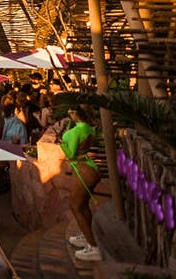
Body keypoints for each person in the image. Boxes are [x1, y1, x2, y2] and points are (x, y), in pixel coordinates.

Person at [60, 106, 102, 262]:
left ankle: (94, 247)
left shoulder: (74, 132)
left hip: (82, 169)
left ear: (74, 114)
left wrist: (61, 143)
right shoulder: (90, 129)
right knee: (83, 205)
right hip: (90, 166)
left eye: (71, 112)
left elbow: (70, 154)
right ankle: (87, 236)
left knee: (75, 206)